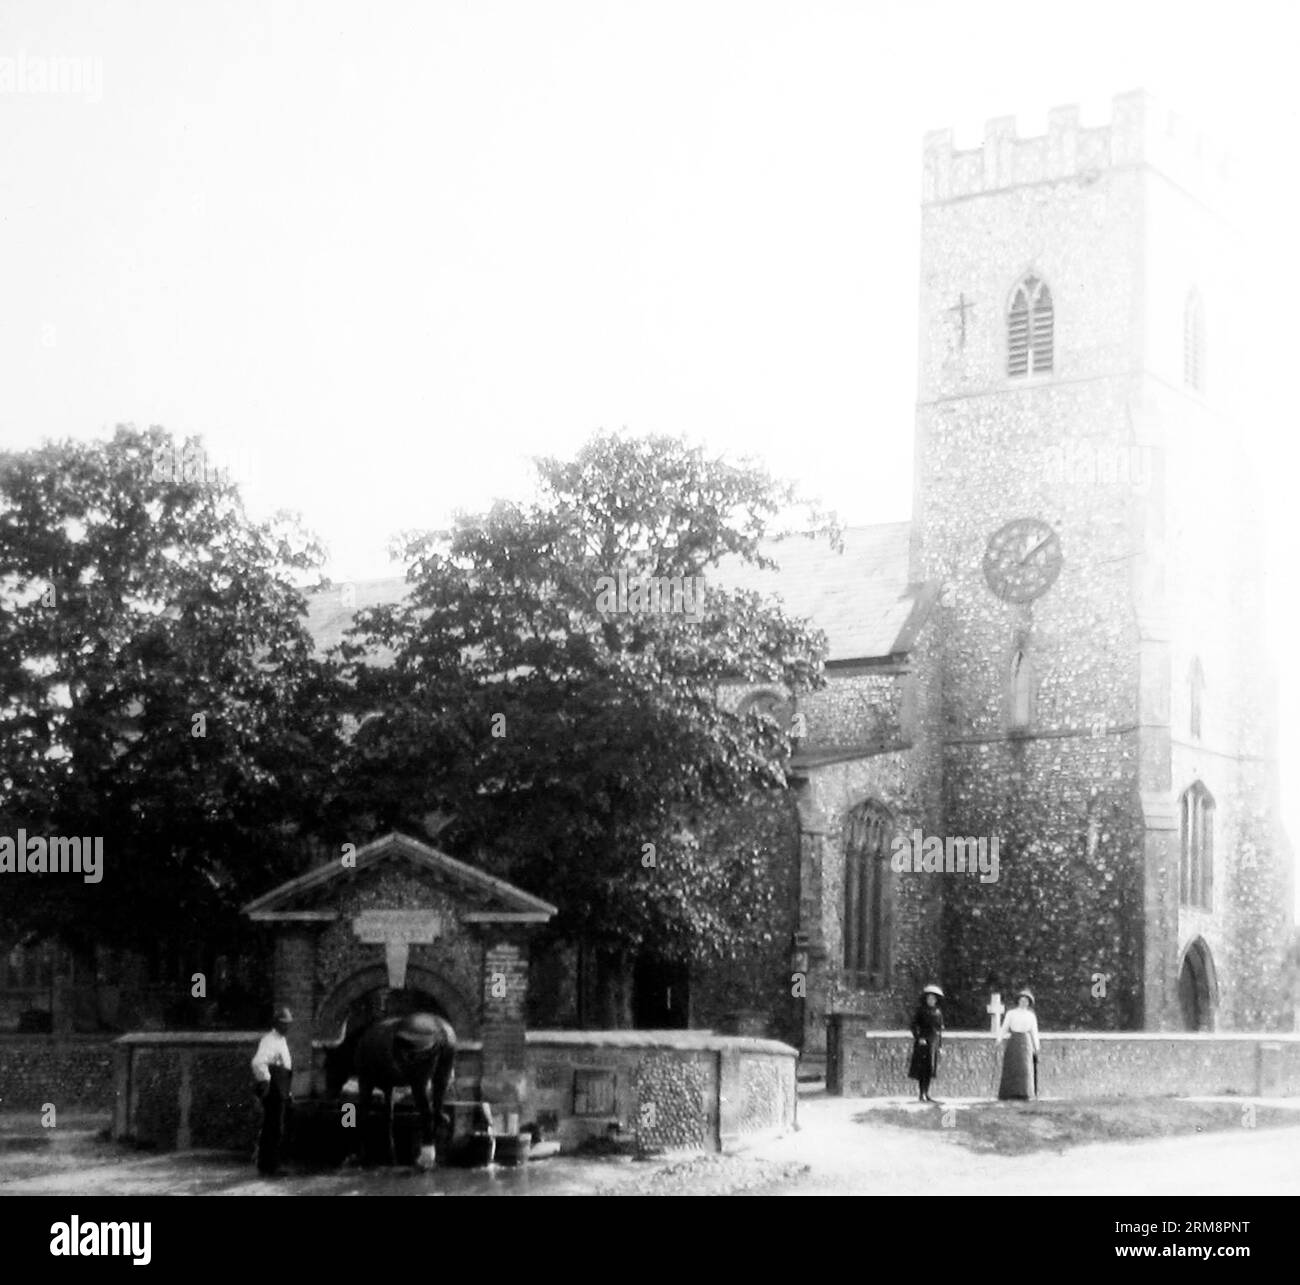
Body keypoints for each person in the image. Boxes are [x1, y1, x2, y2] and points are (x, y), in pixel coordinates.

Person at [251, 1004, 294, 1174]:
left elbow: (285, 1067)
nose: (287, 1026)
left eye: (288, 1023)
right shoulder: (269, 1040)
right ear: (276, 1023)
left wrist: (288, 1091)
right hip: (273, 1090)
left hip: (280, 1089)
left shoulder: (281, 1040)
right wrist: (267, 1080)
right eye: (283, 1023)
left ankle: (270, 1164)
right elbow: (258, 1062)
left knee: (277, 1127)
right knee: (273, 1128)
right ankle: (269, 1166)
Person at [996, 988, 1041, 1100]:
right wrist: (999, 1039)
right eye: (1022, 1000)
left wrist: (1037, 1046)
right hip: (1014, 1042)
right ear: (1018, 1001)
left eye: (1026, 1001)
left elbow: (1034, 1032)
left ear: (1029, 1003)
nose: (1023, 1002)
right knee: (1012, 1067)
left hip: (1026, 1043)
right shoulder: (1011, 1013)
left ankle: (1025, 1092)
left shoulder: (1031, 1016)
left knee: (1025, 1068)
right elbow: (1004, 1027)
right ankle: (1009, 1092)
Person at [907, 984, 944, 1102]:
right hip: (923, 1043)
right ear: (926, 999)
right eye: (929, 998)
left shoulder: (938, 1012)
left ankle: (927, 1093)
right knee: (922, 1068)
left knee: (930, 1069)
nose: (931, 1000)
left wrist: (940, 1045)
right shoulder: (921, 1011)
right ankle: (921, 1093)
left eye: (933, 999)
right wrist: (919, 1037)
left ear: (936, 1000)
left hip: (933, 1042)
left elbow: (939, 1030)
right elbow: (913, 1026)